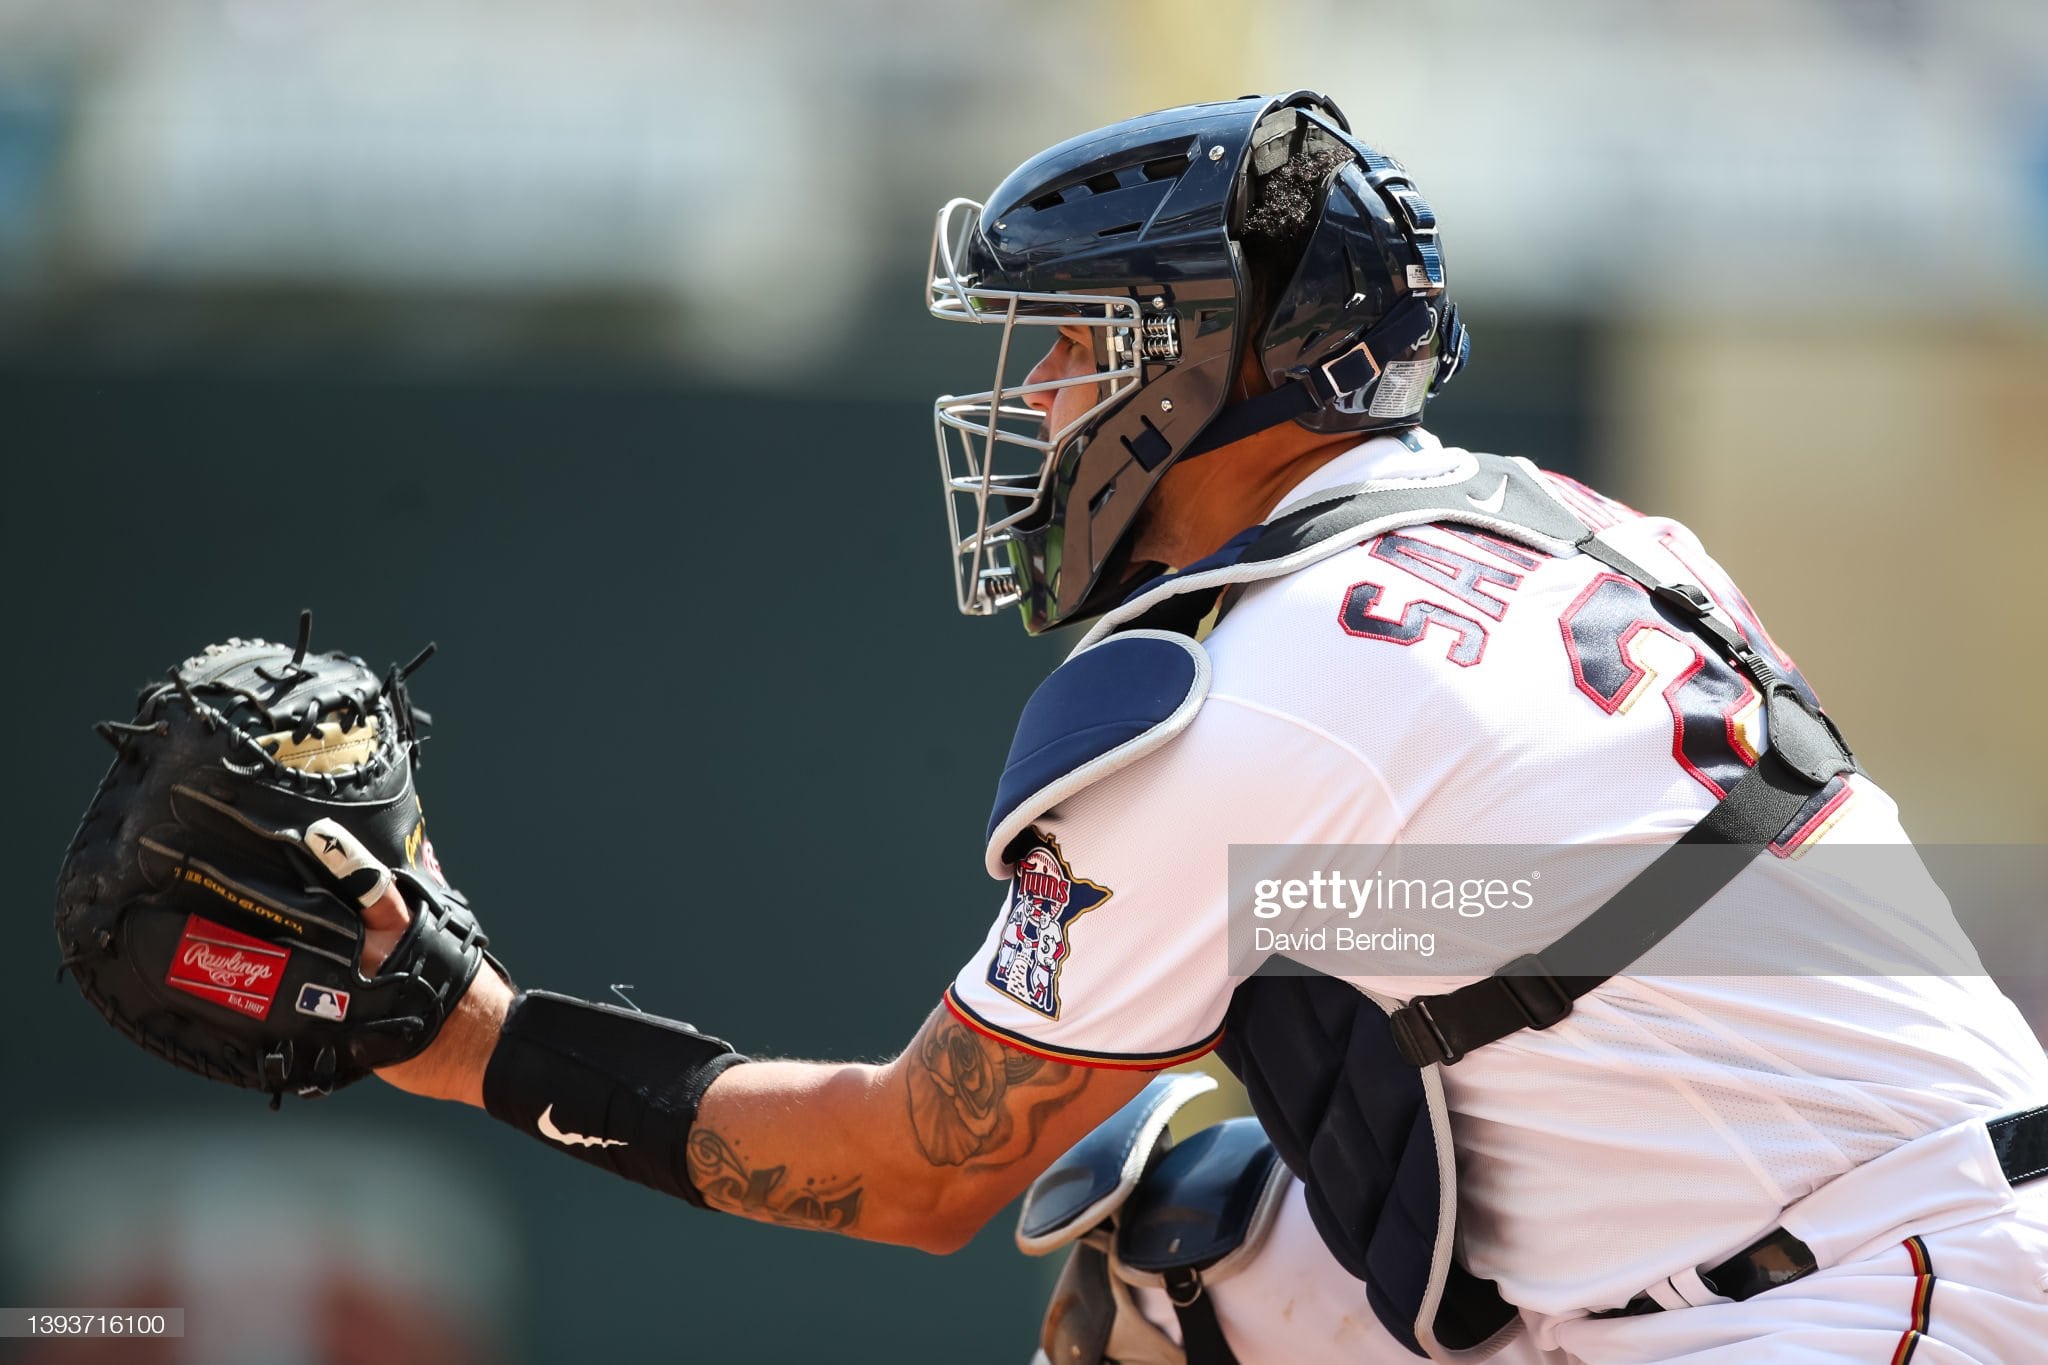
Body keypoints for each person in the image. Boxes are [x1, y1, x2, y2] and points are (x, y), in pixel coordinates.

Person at [337, 93, 2048, 1362]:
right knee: (1183, 1245)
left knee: (1151, 1235)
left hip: (1866, 1297)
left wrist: (480, 1044)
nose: (1032, 402)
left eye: (1070, 347)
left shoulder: (1251, 688)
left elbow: (906, 1166)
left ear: (1205, 364)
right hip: (1871, 1224)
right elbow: (1506, 930)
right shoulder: (1568, 521)